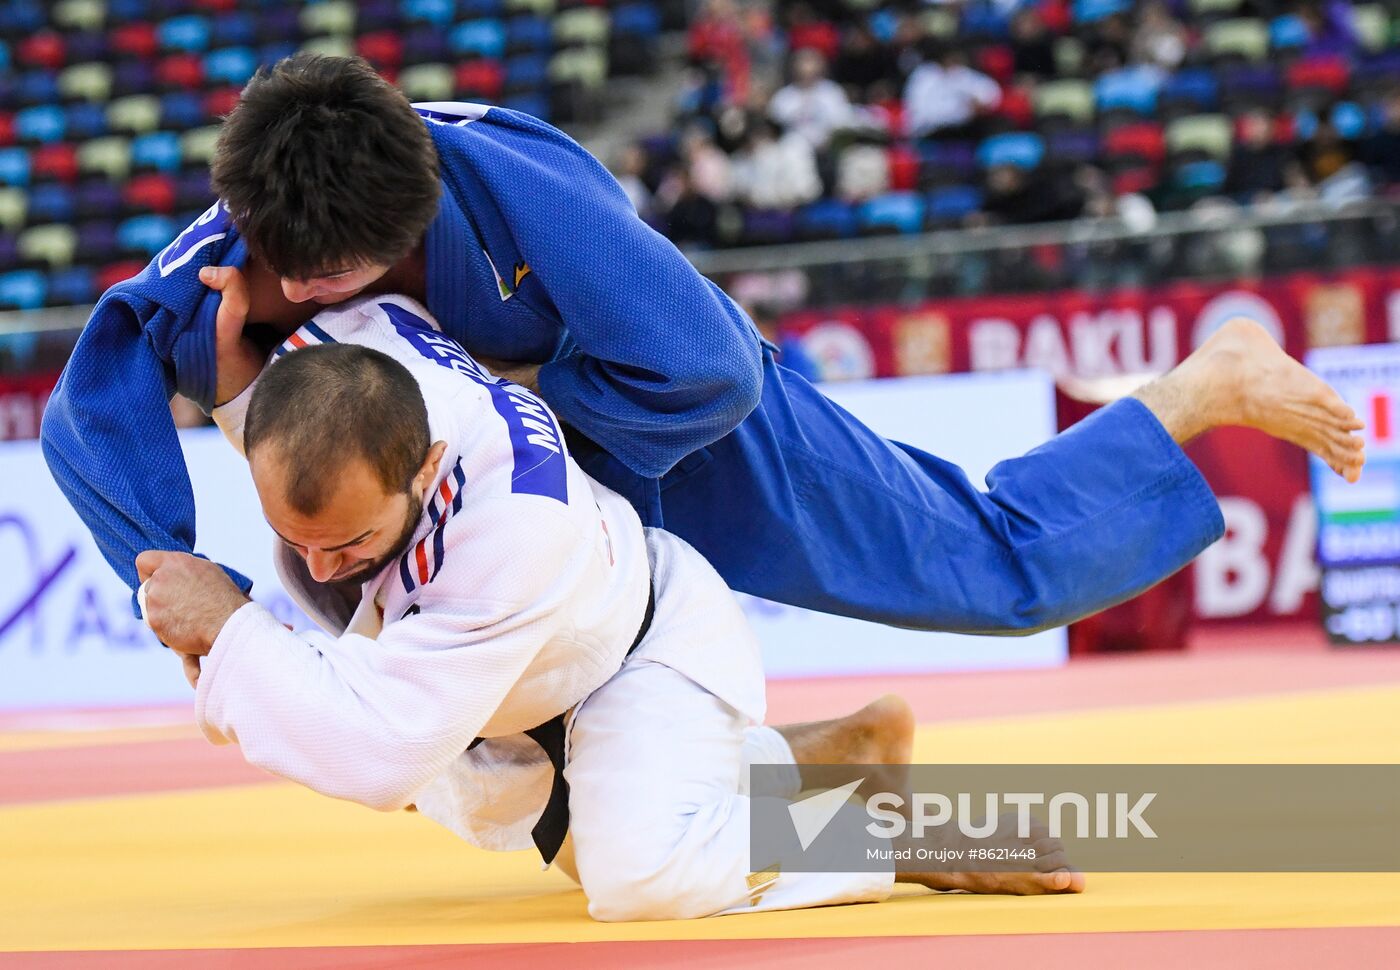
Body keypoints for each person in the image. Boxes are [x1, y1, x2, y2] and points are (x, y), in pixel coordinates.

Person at [42, 54, 1365, 646]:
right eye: (312, 275)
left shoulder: (511, 189)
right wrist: (181, 576)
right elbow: (83, 410)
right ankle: (842, 784)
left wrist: (515, 403)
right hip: (521, 483)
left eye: (370, 264)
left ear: (423, 197)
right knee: (514, 743)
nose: (332, 288)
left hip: (695, 425)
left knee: (993, 572)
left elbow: (709, 373)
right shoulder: (230, 245)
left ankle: (1200, 387)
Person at [136, 295, 1083, 921]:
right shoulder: (358, 355)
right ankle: (824, 753)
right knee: (585, 832)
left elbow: (379, 748)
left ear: (427, 467)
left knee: (640, 878)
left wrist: (230, 630)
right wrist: (235, 394)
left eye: (346, 542)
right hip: (525, 697)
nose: (322, 563)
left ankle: (908, 839)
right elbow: (300, 406)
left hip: (635, 659)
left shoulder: (513, 527)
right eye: (297, 540)